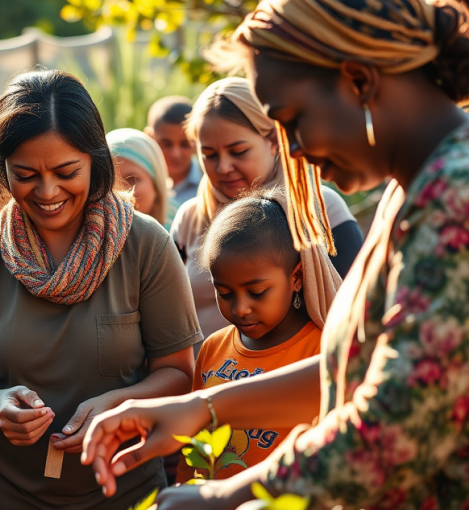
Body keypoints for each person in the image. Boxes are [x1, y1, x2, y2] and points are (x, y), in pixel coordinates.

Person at [82, 0, 469, 508]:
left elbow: (398, 424)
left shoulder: (455, 197)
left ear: (358, 80)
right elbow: (358, 369)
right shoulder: (415, 186)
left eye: (293, 119)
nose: (293, 149)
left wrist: (226, 495)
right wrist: (202, 407)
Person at [0, 69, 200, 510]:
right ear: (1, 169)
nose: (47, 191)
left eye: (65, 172)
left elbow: (178, 373)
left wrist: (118, 404)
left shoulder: (145, 243)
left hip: (125, 488)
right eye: (25, 174)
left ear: (96, 160)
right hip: (6, 492)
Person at [171, 77, 363, 342]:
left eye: (238, 151)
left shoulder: (321, 210)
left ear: (273, 140)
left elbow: (355, 316)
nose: (223, 167)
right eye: (210, 155)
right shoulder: (189, 219)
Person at [175, 189, 339, 483]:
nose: (240, 308)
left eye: (257, 292)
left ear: (296, 277)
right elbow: (194, 443)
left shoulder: (320, 352)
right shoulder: (214, 348)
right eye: (224, 293)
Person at [107, 128, 176, 230]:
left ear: (156, 184)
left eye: (132, 179)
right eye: (110, 181)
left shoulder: (186, 234)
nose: (120, 192)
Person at [145, 96, 201, 205]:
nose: (176, 154)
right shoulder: (137, 183)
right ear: (150, 138)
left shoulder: (210, 185)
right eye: (166, 144)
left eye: (186, 144)